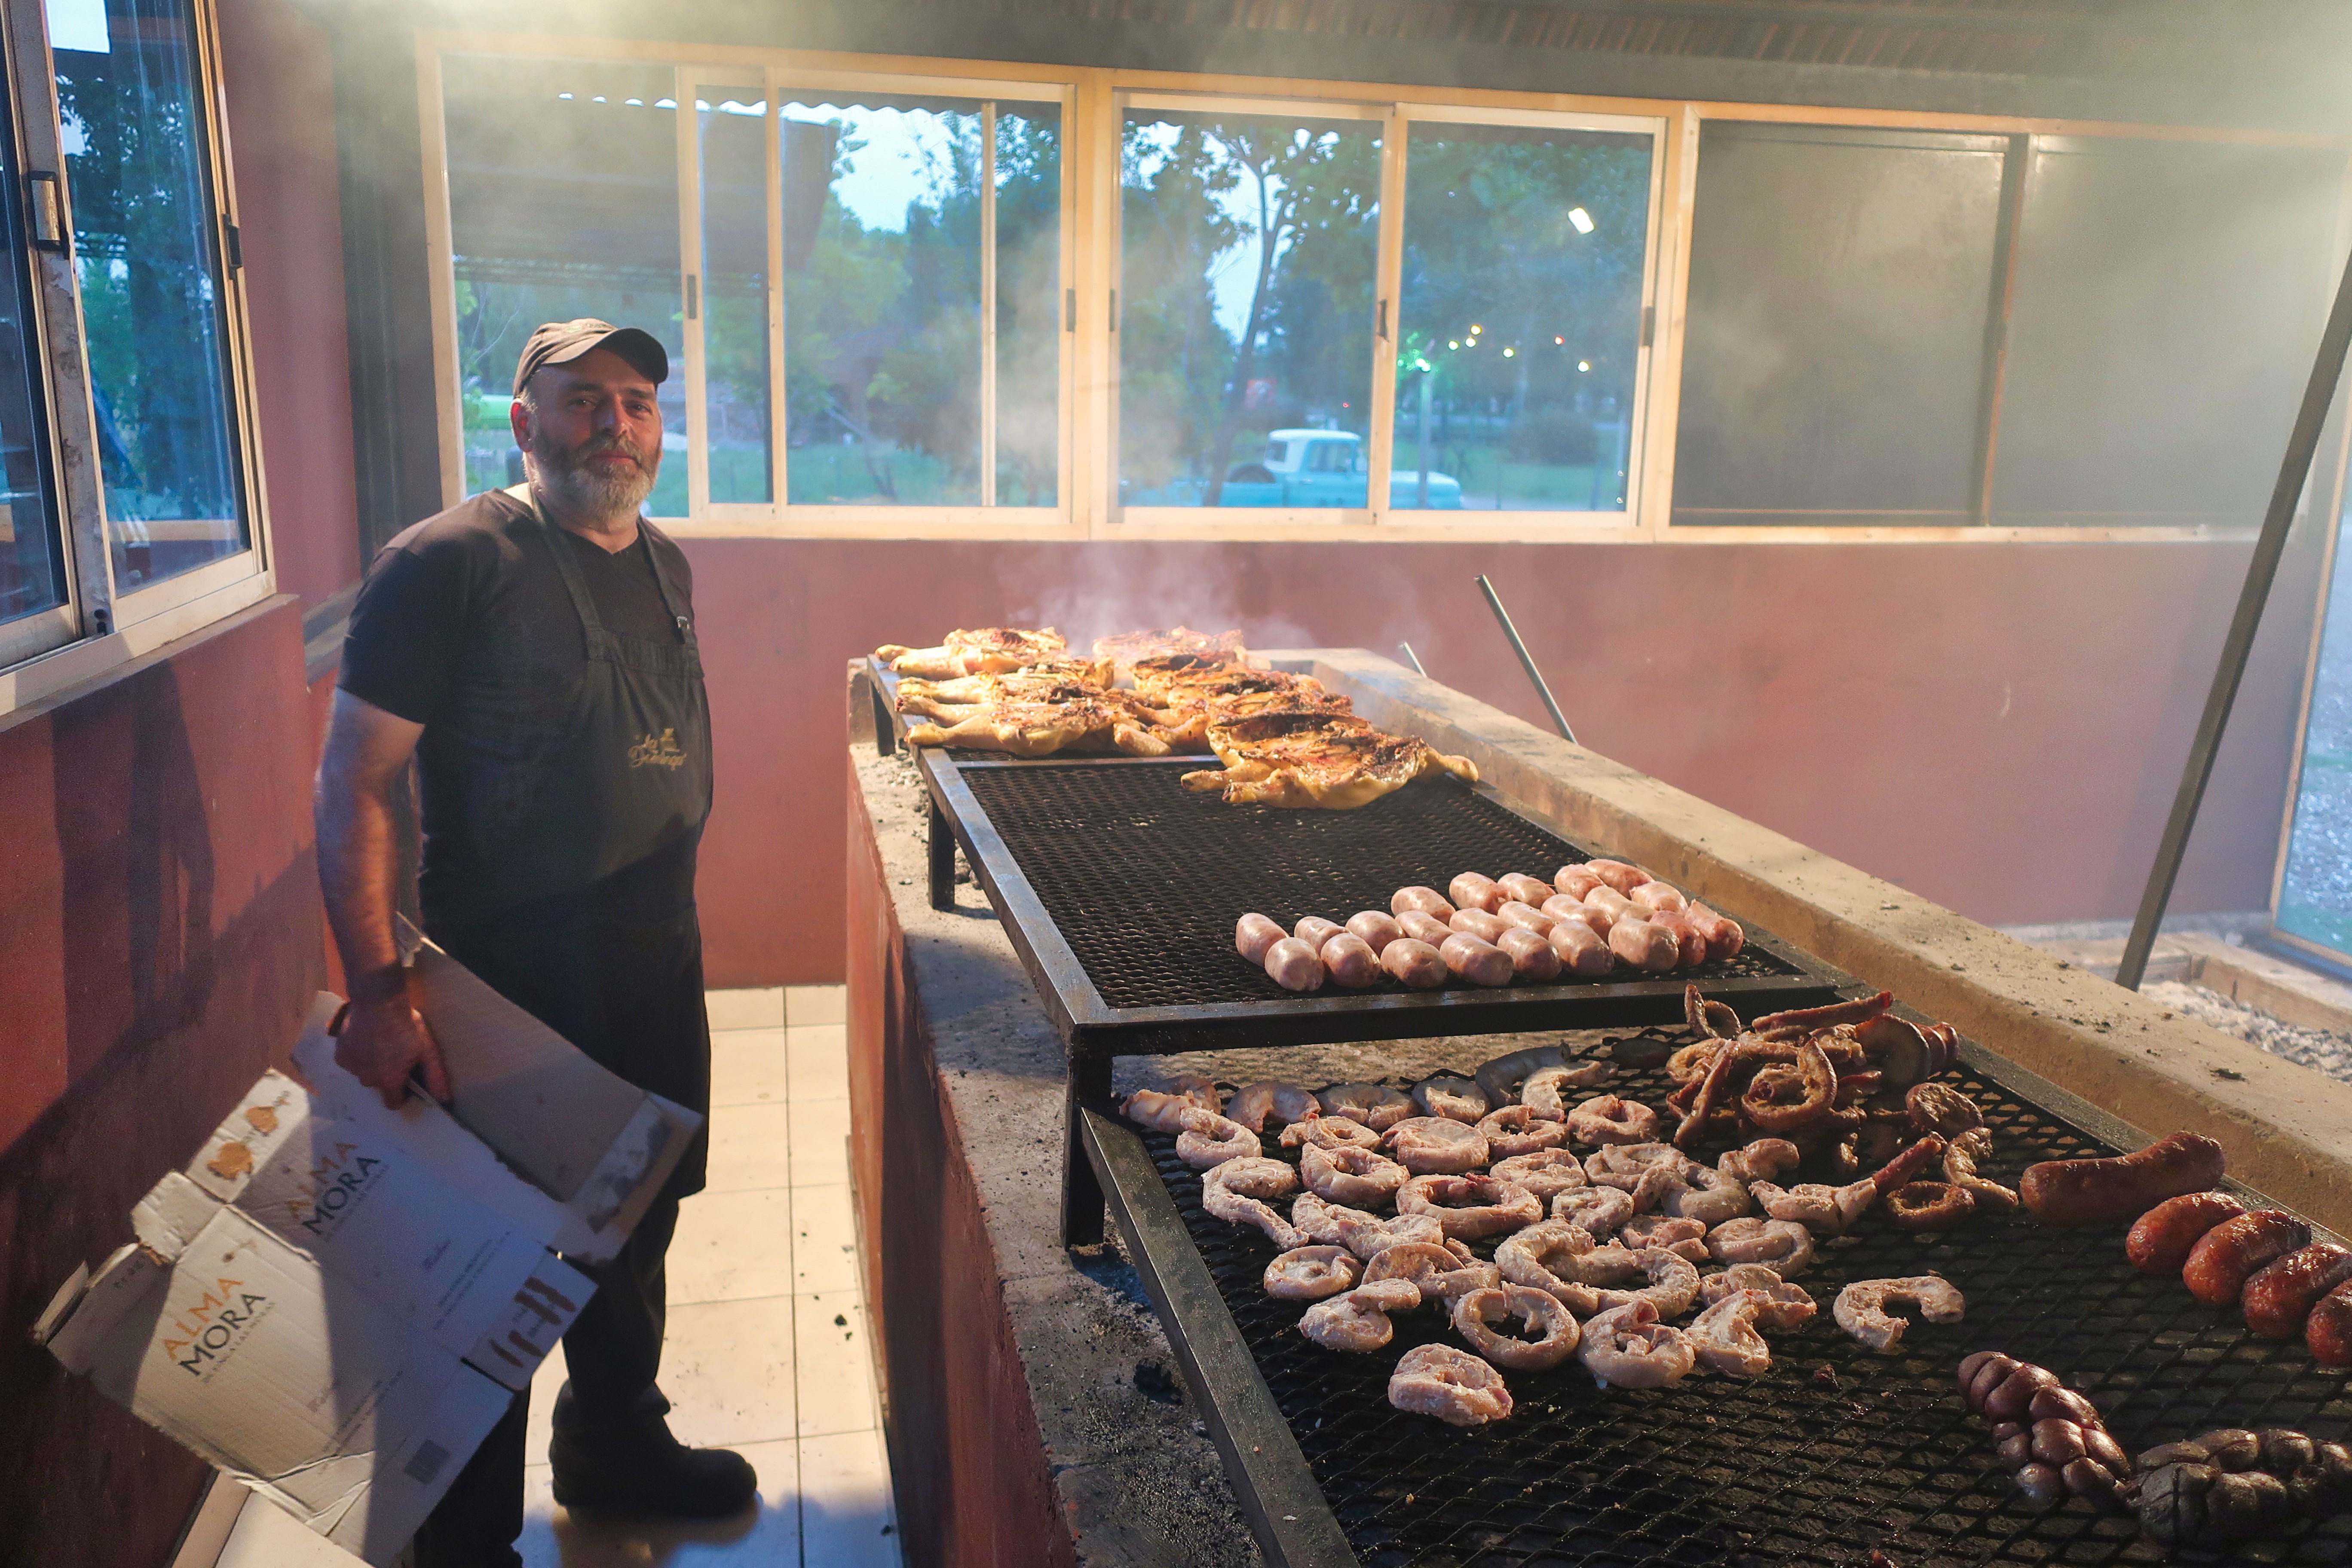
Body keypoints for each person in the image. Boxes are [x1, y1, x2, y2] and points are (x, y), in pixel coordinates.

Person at [314, 319, 753, 1565]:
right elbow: (355, 783)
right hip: (506, 974)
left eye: (638, 402)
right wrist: (379, 989)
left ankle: (614, 1441)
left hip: (653, 953)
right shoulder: (447, 562)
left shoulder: (665, 563)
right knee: (493, 1253)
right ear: (523, 421)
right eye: (582, 400)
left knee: (639, 1213)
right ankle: (462, 1539)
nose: (615, 425)